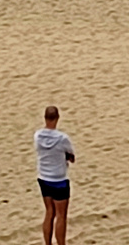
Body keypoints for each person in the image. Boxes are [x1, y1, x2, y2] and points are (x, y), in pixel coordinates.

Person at [34, 105, 75, 245]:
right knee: (61, 216)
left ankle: (47, 243)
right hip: (59, 179)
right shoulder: (63, 138)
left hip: (44, 178)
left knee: (49, 212)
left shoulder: (38, 136)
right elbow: (71, 156)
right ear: (57, 118)